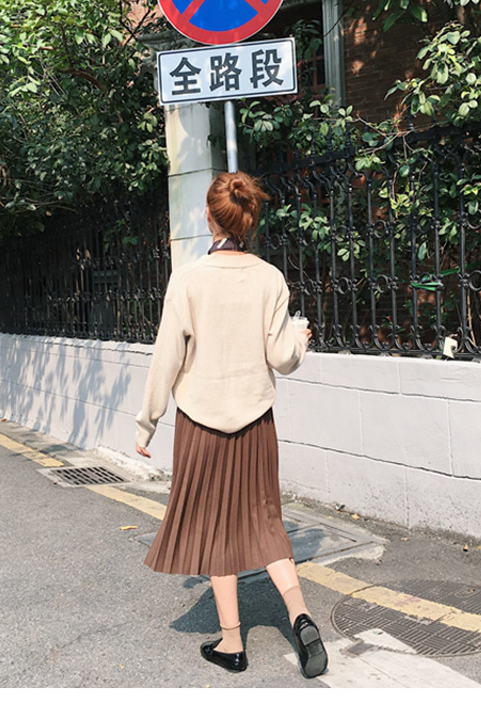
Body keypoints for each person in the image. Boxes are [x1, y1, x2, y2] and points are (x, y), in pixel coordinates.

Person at [134, 171, 328, 679]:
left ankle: (232, 642)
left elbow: (167, 358)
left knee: (216, 528)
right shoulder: (270, 278)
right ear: (249, 220)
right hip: (256, 422)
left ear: (209, 217)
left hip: (201, 425)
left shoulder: (188, 280)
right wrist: (300, 340)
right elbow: (281, 358)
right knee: (267, 521)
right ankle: (300, 615)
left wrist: (146, 423)